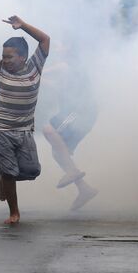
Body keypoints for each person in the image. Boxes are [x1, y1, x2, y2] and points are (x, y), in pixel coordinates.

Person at [0, 7, 50, 224]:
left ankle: (4, 176)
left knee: (32, 170)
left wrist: (23, 25)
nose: (5, 60)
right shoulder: (0, 69)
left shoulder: (35, 66)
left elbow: (45, 40)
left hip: (24, 130)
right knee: (9, 173)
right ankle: (14, 212)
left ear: (23, 57)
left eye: (10, 56)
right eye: (4, 56)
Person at [42, 59, 99, 211]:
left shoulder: (67, 65)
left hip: (81, 111)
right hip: (77, 112)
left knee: (48, 129)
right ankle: (84, 189)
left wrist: (33, 73)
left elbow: (61, 72)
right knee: (58, 152)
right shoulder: (63, 68)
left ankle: (73, 172)